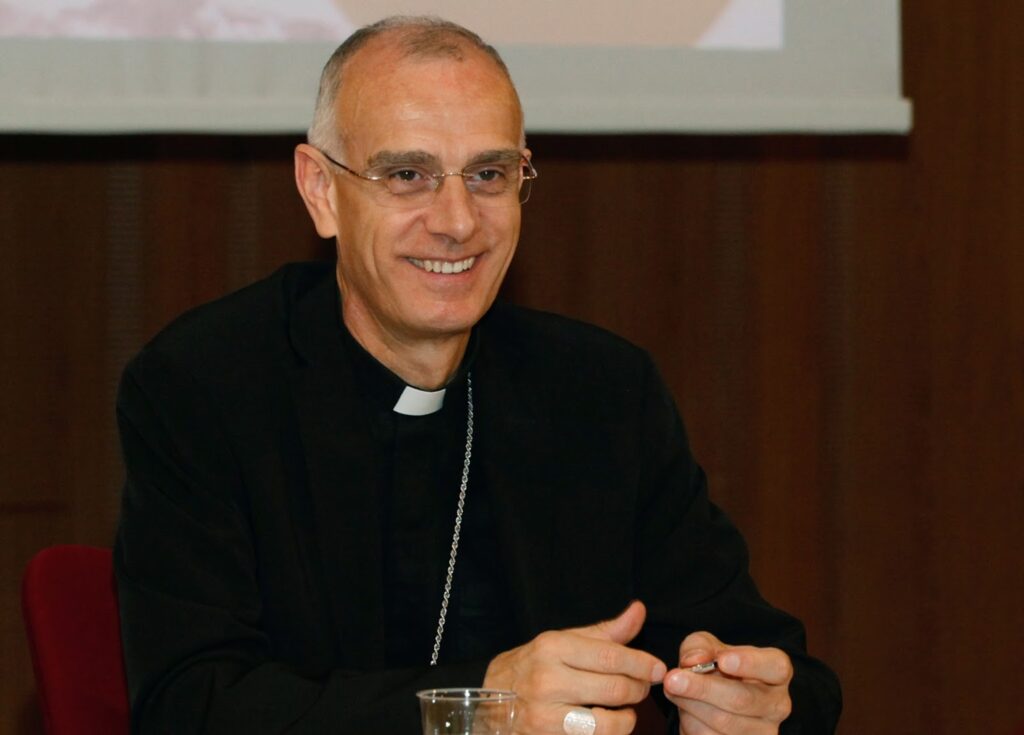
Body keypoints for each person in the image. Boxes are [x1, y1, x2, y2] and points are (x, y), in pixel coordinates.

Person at [114, 15, 841, 735]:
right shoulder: (204, 386)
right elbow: (190, 703)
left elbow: (783, 673)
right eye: (408, 175)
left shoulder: (602, 392)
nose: (458, 221)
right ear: (321, 190)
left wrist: (751, 699)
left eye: (489, 174)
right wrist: (487, 701)